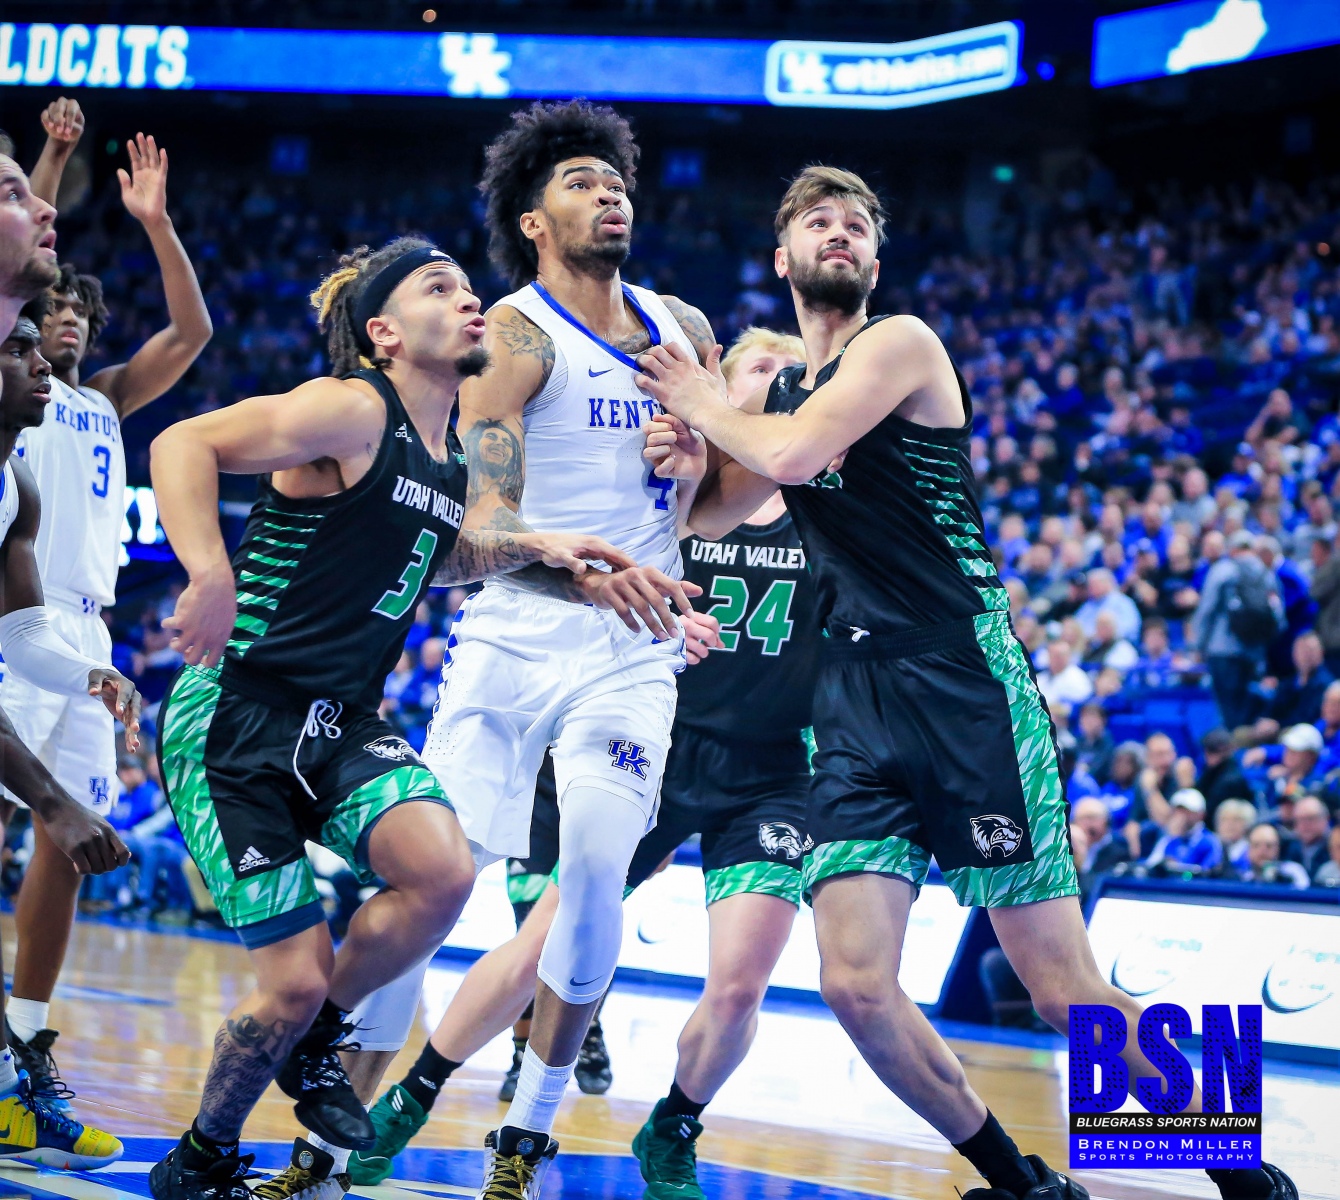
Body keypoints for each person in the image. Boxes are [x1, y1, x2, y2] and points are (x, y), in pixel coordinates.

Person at [640, 164, 1297, 1200]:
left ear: (875, 259)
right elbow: (708, 518)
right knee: (853, 984)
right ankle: (1020, 1180)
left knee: (1061, 989)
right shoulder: (775, 397)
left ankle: (1245, 1176)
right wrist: (683, 457)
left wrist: (699, 400)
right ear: (782, 257)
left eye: (858, 224)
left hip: (963, 675)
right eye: (818, 220)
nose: (841, 232)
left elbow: (798, 457)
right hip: (850, 696)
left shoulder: (898, 343)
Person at [144, 237, 646, 1200]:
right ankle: (204, 1154)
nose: (471, 301)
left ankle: (316, 1041)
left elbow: (440, 556)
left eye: (468, 286)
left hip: (338, 720)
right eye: (440, 287)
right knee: (290, 981)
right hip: (236, 710)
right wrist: (209, 571)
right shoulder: (351, 406)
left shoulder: (447, 457)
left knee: (442, 871)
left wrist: (556, 557)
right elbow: (181, 444)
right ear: (384, 332)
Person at [305, 102, 714, 1200]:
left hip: (633, 649)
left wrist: (695, 464)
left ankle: (525, 1136)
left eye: (615, 179)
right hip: (513, 636)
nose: (609, 193)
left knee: (595, 869)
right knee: (434, 882)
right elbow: (480, 525)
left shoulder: (683, 327)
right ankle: (328, 1148)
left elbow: (727, 496)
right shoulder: (515, 340)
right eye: (580, 182)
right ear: (533, 221)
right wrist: (579, 566)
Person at [348, 324, 811, 1200]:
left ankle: (673, 1126)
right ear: (717, 378)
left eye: (795, 369)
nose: (782, 376)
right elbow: (592, 567)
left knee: (750, 983)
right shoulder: (671, 471)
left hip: (771, 769)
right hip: (659, 733)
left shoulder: (819, 496)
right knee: (544, 932)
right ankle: (418, 1089)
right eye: (763, 362)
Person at [1, 126, 213, 1108]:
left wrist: (158, 227)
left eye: (83, 314)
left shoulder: (108, 399)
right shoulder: (15, 384)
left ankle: (26, 1036)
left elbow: (192, 333)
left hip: (82, 630)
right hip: (17, 615)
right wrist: (45, 169)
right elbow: (20, 256)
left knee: (72, 842)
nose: (71, 324)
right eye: (56, 312)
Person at [0, 303, 140, 1167]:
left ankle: (15, 1077)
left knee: (69, 850)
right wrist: (50, 803)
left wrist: (94, 674)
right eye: (19, 345)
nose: (42, 361)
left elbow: (22, 638)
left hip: (78, 622)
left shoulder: (18, 488)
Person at [1192, 529, 1283, 731]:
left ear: (1231, 549)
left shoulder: (1222, 569)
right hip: (1254, 655)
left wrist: (1198, 646)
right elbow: (1278, 618)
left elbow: (1207, 610)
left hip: (1222, 651)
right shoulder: (1265, 572)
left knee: (1228, 713)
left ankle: (1233, 745)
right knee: (1248, 712)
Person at [1143, 789, 1222, 875]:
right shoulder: (1167, 839)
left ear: (1201, 815)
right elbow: (1149, 866)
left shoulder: (1210, 841)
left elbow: (1207, 873)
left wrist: (1176, 868)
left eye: (1186, 811)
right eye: (1178, 810)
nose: (1181, 816)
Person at [1196, 729, 1254, 820]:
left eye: (1211, 751)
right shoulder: (1211, 772)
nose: (1206, 756)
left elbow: (1208, 814)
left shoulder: (1230, 781)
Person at [1236, 823, 1311, 889]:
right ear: (1248, 850)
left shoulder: (1293, 872)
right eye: (1256, 845)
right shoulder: (1240, 876)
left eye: (1269, 846)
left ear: (1277, 849)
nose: (1262, 851)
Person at [1284, 796, 1332, 882]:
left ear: (1326, 819)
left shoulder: (1335, 847)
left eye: (1311, 818)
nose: (1305, 824)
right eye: (1300, 819)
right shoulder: (1287, 846)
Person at [1211, 800, 1257, 875]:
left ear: (1248, 824)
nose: (1229, 824)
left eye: (1236, 820)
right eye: (1224, 819)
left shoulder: (1252, 850)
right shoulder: (1212, 847)